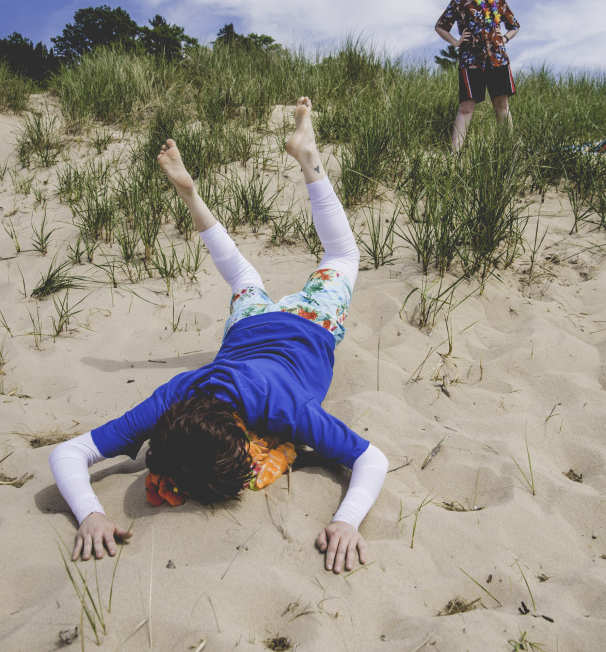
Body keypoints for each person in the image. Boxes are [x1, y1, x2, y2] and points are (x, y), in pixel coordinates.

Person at [49, 98, 388, 574]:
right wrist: (89, 514)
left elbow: (373, 460)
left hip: (310, 322)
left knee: (342, 255)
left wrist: (348, 520)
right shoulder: (174, 396)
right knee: (244, 277)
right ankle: (197, 192)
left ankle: (306, 158)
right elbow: (68, 453)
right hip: (246, 328)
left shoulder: (286, 408)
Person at [435, 0, 520, 151]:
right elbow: (440, 25)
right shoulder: (459, 1)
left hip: (497, 59)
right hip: (470, 60)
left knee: (501, 105)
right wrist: (456, 42)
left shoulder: (498, 1)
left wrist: (505, 38)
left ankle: (508, 150)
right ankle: (455, 155)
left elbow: (514, 25)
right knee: (466, 107)